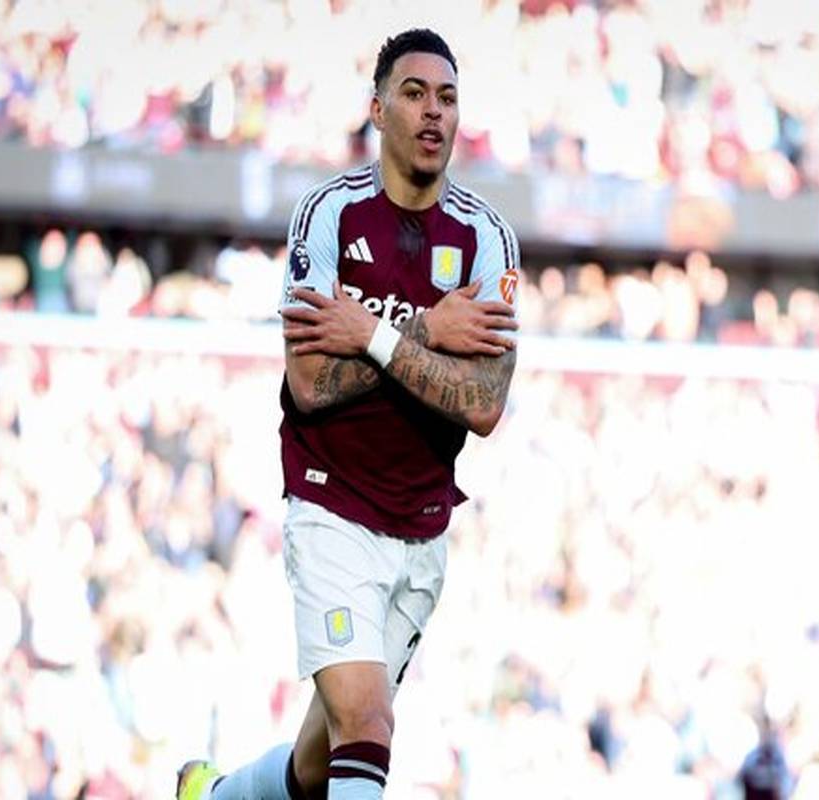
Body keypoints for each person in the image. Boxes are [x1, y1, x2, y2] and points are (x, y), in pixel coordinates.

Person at [177, 28, 522, 800]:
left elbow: (484, 404)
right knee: (367, 722)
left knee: (322, 759)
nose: (433, 112)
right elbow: (309, 383)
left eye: (447, 97)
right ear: (377, 109)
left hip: (422, 526)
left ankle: (215, 795)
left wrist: (368, 333)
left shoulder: (487, 239)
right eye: (414, 93)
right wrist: (428, 331)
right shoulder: (329, 214)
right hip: (332, 503)